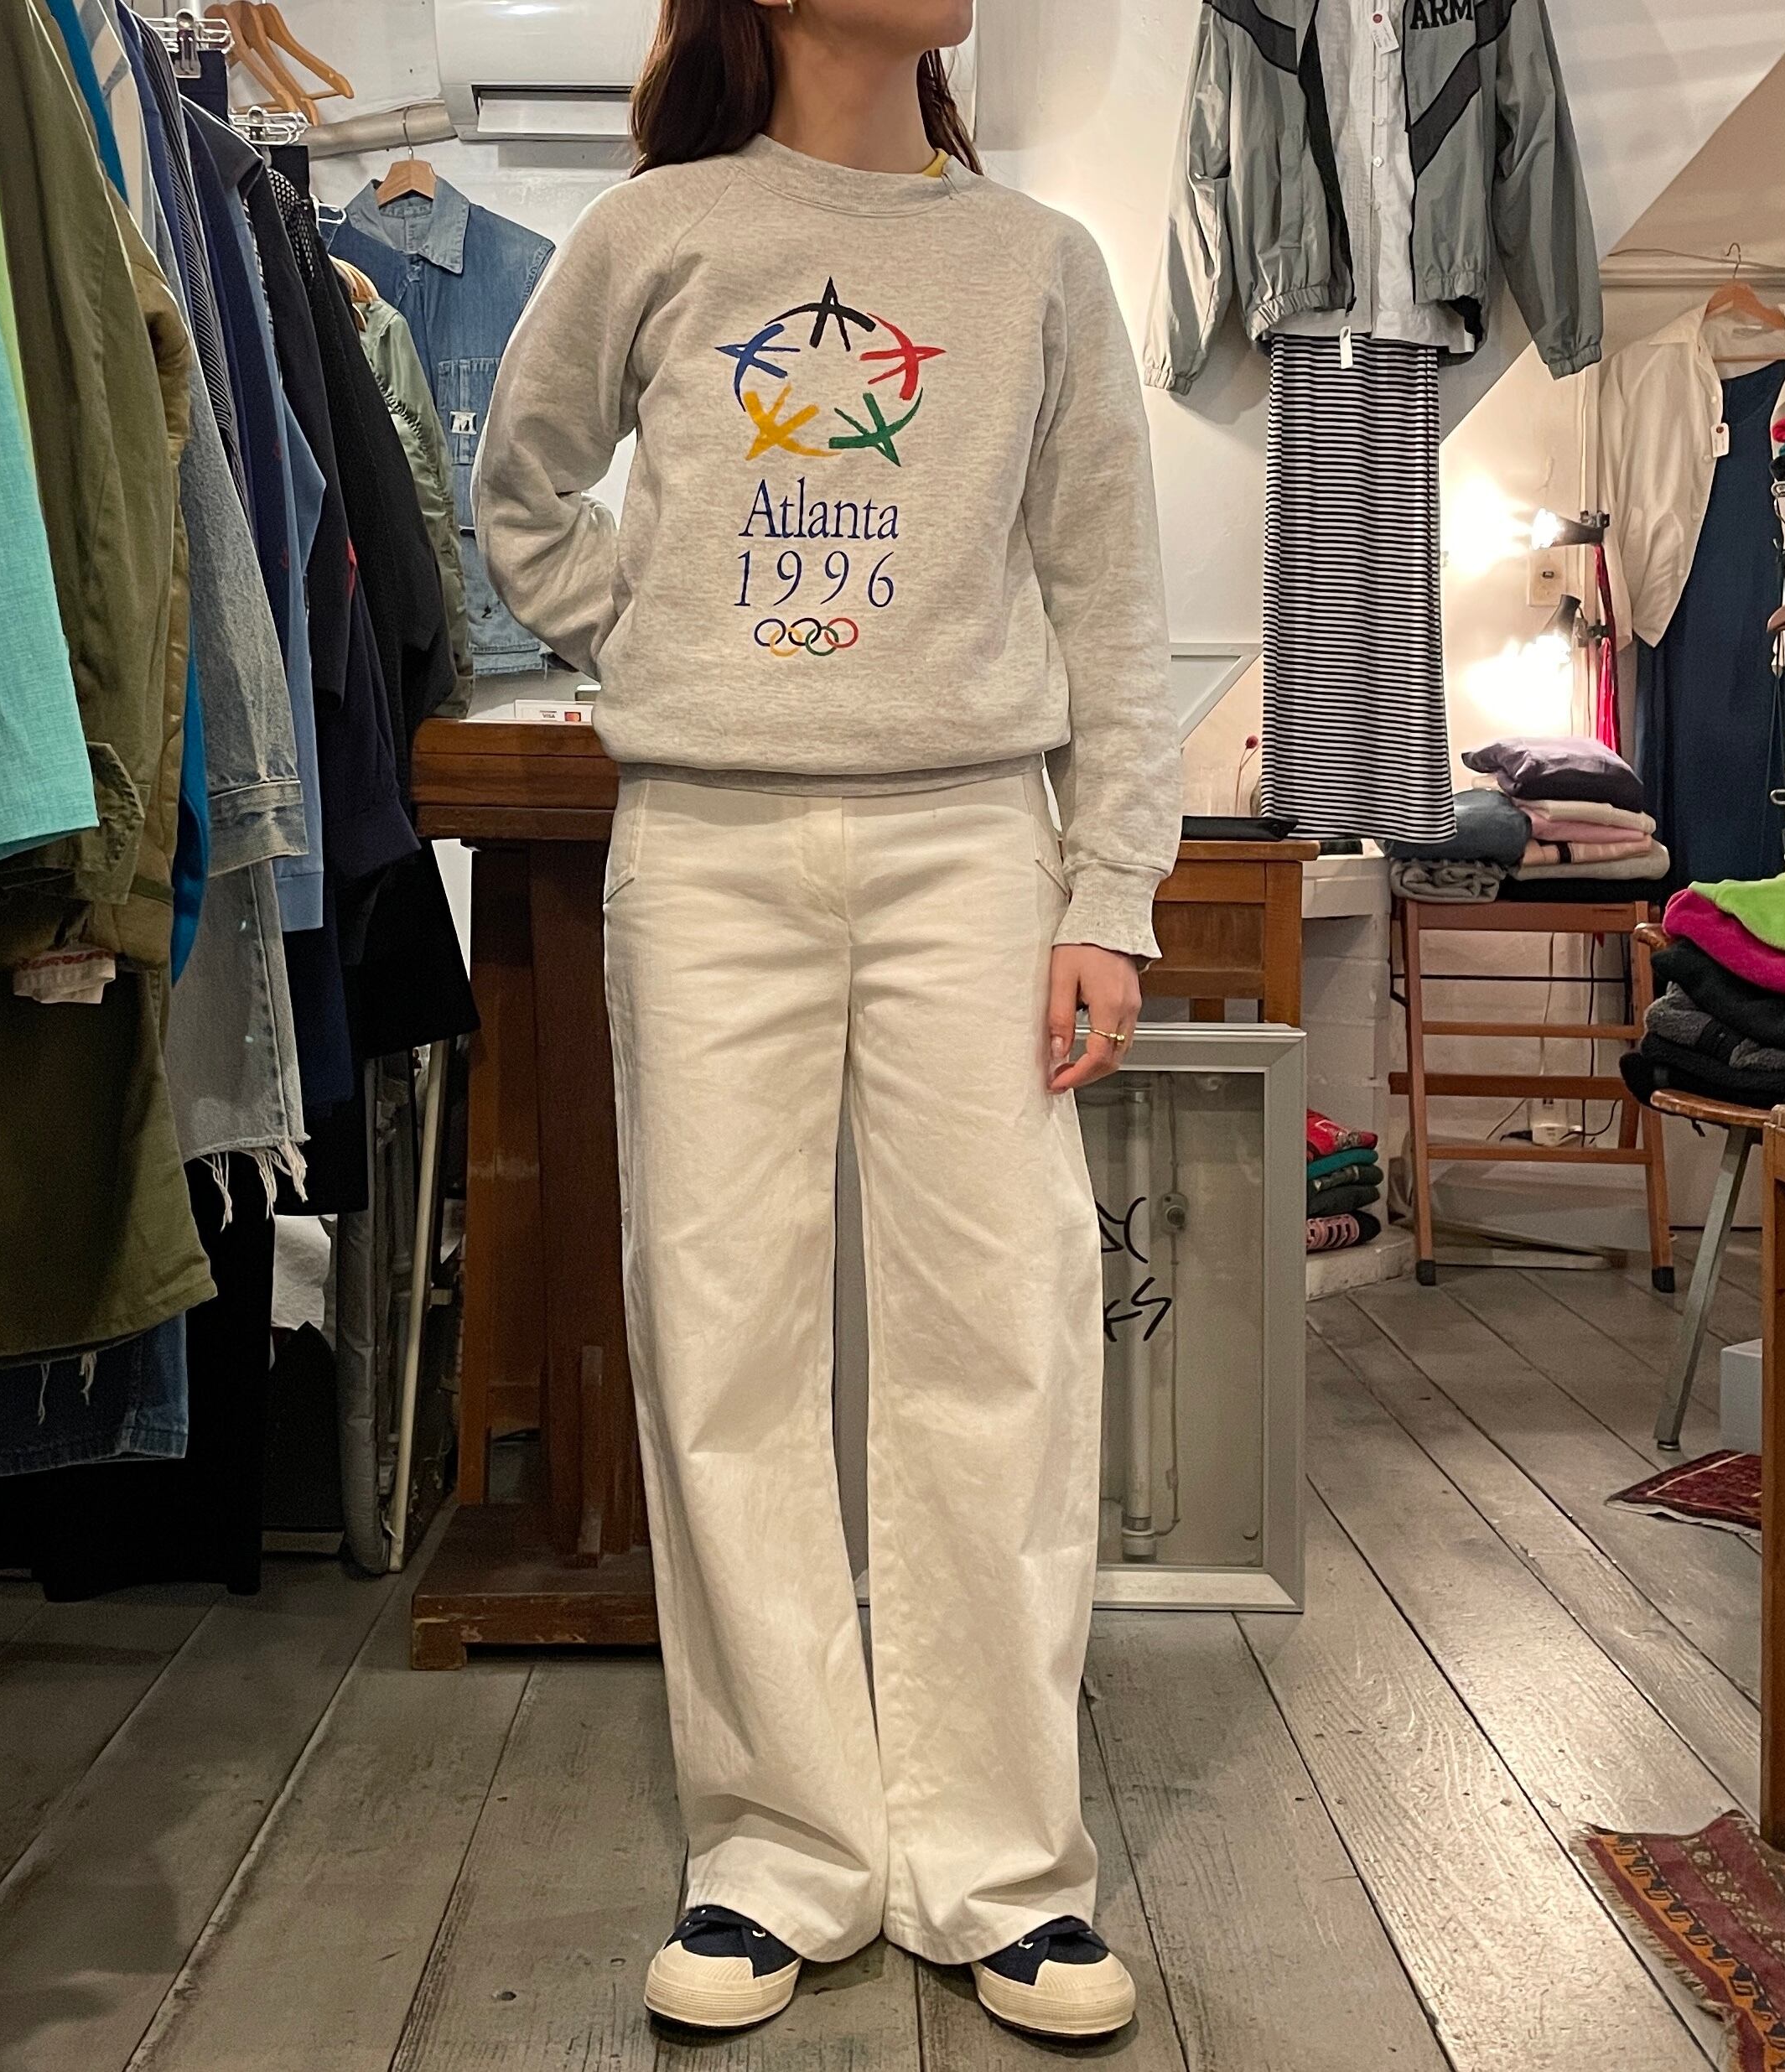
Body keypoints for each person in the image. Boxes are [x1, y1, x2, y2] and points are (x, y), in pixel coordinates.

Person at [474, 0, 1179, 2040]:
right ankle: (780, 1848)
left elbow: (1112, 597)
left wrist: (1110, 893)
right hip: (705, 845)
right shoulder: (657, 232)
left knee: (1003, 1329)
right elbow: (521, 491)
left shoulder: (1035, 263)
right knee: (725, 1335)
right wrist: (653, 621)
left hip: (974, 839)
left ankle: (998, 1864)